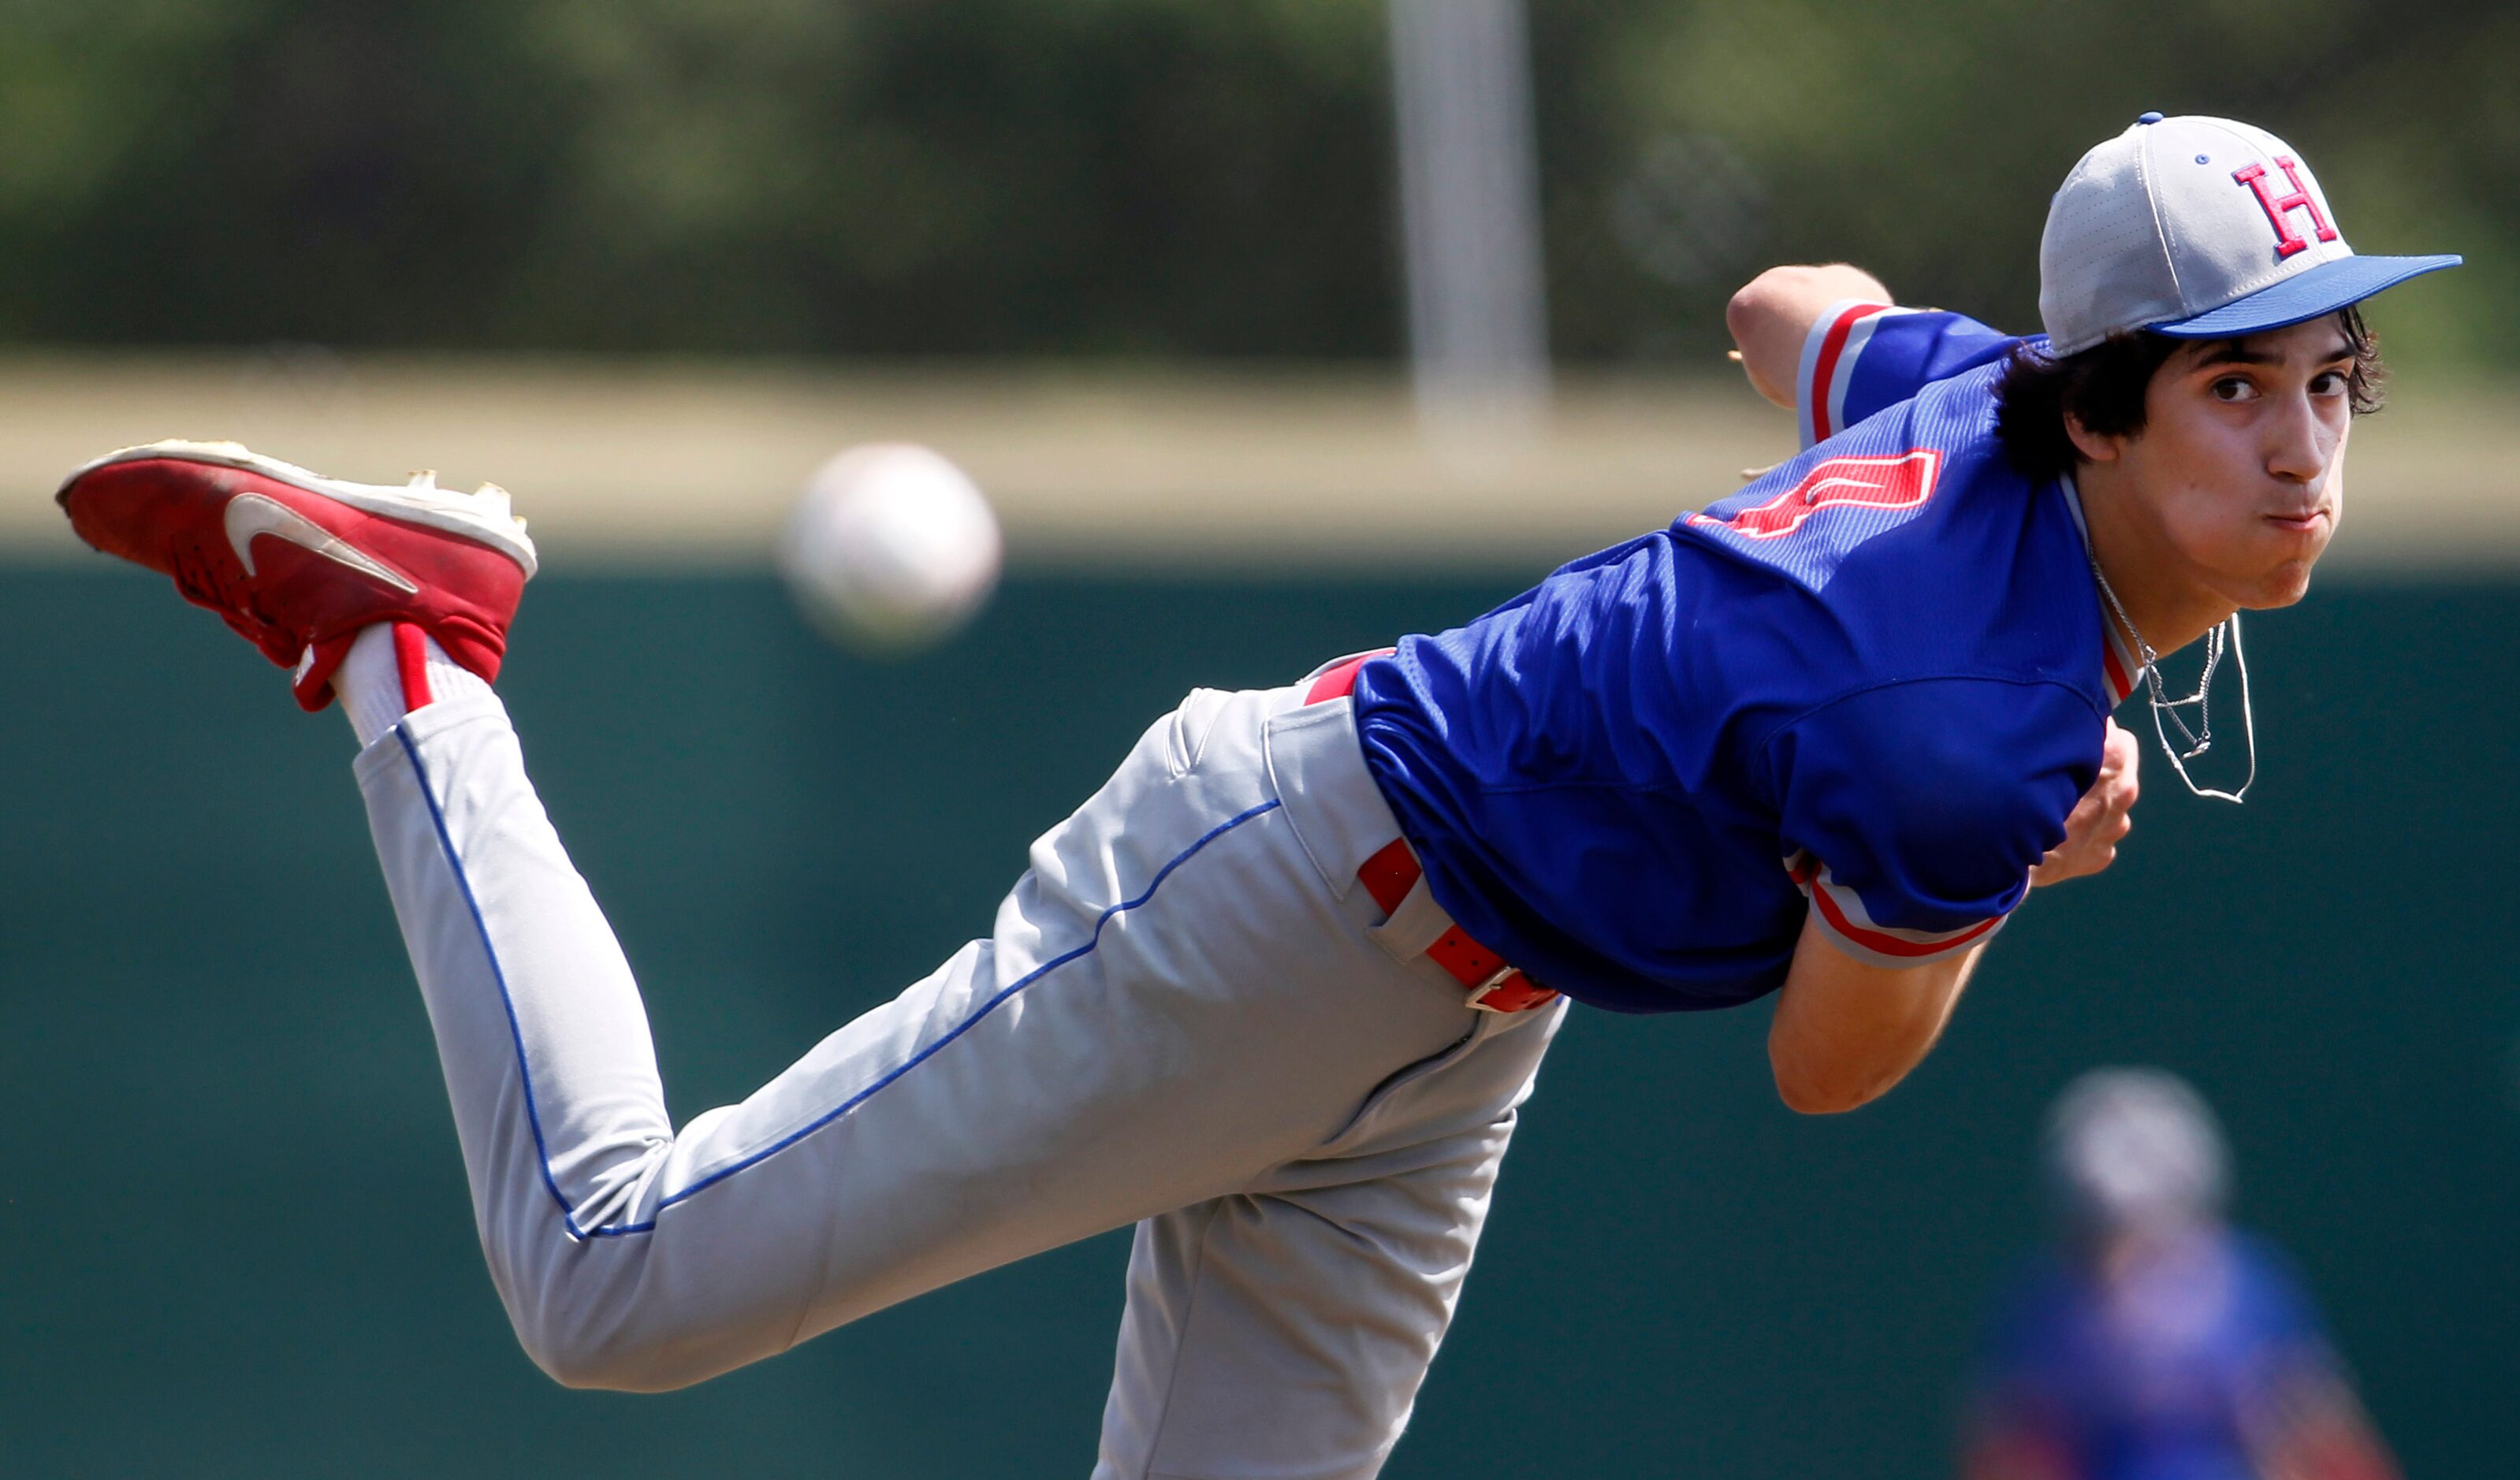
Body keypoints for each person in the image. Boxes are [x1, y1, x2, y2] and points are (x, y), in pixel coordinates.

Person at [56, 114, 2454, 1479]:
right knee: (614, 1279)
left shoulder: (1964, 403)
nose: (2304, 441)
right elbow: (1831, 1063)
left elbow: (1785, 301)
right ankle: (417, 642)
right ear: (2104, 403)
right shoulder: (1977, 720)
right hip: (1292, 888)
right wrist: (2006, 838)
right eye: (2236, 387)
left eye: (2331, 379)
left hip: (1446, 1025)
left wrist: (1894, 421)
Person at [1962, 1069, 2399, 1480]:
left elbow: (2325, 1443)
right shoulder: (2044, 1310)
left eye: (2143, 1236)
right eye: (2097, 1233)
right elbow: (2009, 1453)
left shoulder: (2253, 1293)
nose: (2119, 1264)